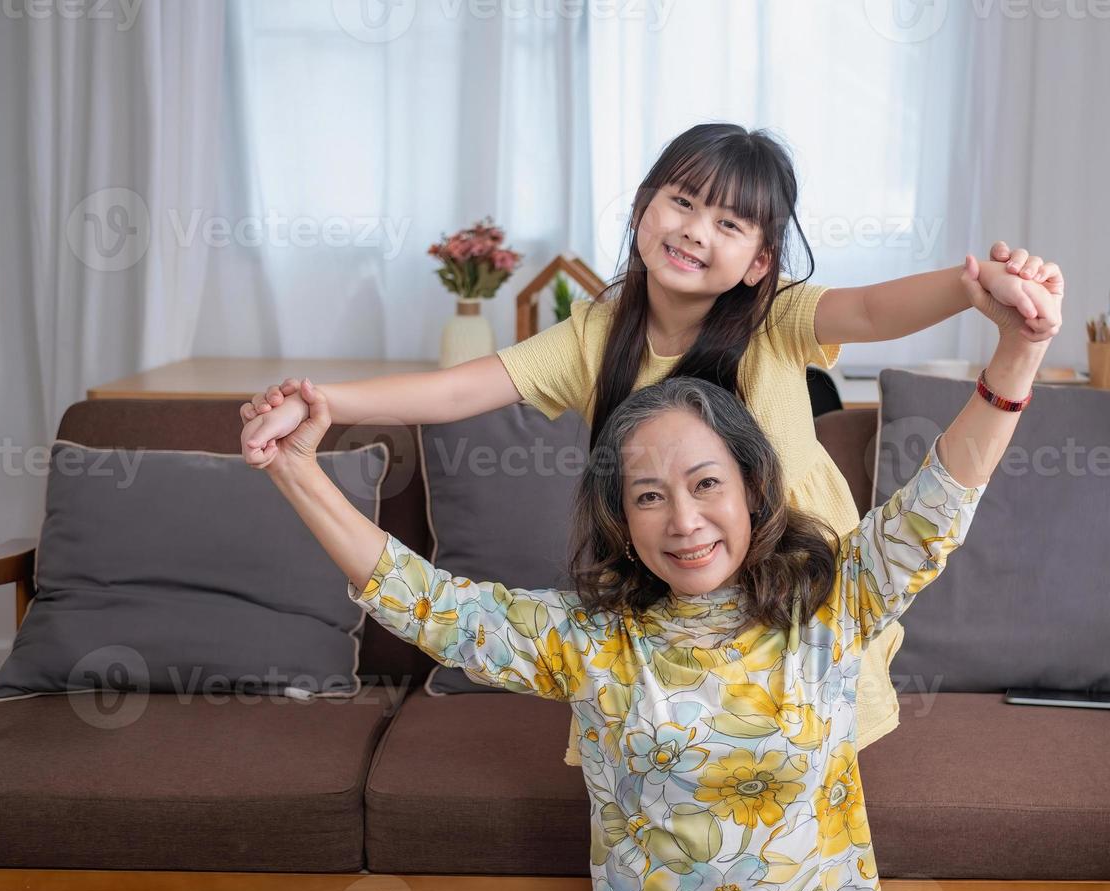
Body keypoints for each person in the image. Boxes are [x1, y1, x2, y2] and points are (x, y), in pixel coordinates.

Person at [251, 256, 1054, 891]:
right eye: (648, 496)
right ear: (622, 525)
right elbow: (427, 604)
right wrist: (295, 470)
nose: (684, 520)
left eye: (706, 484)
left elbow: (939, 501)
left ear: (752, 490)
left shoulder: (833, 601)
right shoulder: (589, 636)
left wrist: (1018, 351)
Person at [238, 122, 1062, 769]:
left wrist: (971, 287)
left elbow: (876, 312)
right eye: (681, 201)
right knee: (669, 753)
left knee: (791, 750)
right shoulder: (599, 332)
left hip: (795, 587)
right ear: (641, 207)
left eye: (729, 222)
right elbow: (463, 388)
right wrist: (324, 401)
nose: (696, 230)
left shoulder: (775, 319)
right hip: (670, 591)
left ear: (759, 261)